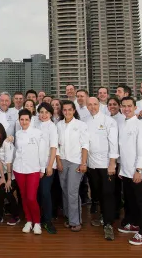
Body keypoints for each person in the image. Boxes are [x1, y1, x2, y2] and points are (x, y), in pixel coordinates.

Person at [84, 97, 119, 240]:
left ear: (99, 105)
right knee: (98, 193)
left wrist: (112, 163)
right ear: (87, 106)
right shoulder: (85, 122)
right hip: (92, 165)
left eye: (95, 104)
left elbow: (114, 143)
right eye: (90, 105)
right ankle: (104, 217)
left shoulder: (109, 121)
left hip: (106, 165)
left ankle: (108, 224)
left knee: (108, 193)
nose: (92, 107)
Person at [118, 97, 142, 246]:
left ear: (135, 107)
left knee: (141, 201)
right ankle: (134, 224)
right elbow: (123, 149)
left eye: (129, 106)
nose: (126, 109)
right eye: (124, 106)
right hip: (125, 171)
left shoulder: (140, 124)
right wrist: (121, 169)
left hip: (137, 170)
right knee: (130, 200)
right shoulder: (122, 124)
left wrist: (139, 169)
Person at [56, 100, 89, 233]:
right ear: (62, 111)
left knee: (72, 191)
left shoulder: (81, 125)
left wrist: (83, 163)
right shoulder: (59, 125)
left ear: (74, 111)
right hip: (62, 160)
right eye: (65, 110)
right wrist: (58, 161)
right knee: (64, 189)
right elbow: (56, 145)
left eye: (70, 109)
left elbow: (85, 145)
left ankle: (75, 221)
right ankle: (69, 216)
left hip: (76, 161)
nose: (67, 112)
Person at [13, 110, 46, 235]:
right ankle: (28, 220)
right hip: (19, 169)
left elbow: (42, 152)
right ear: (19, 120)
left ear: (30, 120)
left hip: (33, 169)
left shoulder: (38, 133)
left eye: (26, 119)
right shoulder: (18, 134)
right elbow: (16, 151)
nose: (24, 122)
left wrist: (42, 168)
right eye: (22, 119)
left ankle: (37, 222)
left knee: (31, 197)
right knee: (24, 196)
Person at [0, 122, 20, 226]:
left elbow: (9, 162)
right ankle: (0, 215)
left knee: (7, 190)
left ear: (1, 132)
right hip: (5, 172)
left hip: (16, 172)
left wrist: (9, 180)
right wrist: (2, 178)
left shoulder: (6, 143)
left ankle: (16, 215)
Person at [34, 102, 59, 234]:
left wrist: (49, 166)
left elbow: (53, 148)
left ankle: (48, 220)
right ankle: (38, 219)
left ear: (51, 114)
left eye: (46, 112)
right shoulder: (35, 125)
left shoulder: (52, 127)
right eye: (41, 112)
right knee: (37, 193)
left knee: (45, 192)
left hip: (48, 165)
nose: (44, 115)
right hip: (35, 165)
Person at [107, 96, 125, 220]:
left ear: (119, 106)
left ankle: (118, 209)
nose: (112, 106)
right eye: (110, 104)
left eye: (114, 104)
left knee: (118, 187)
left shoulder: (123, 119)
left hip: (121, 158)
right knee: (111, 187)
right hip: (109, 158)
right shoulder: (107, 119)